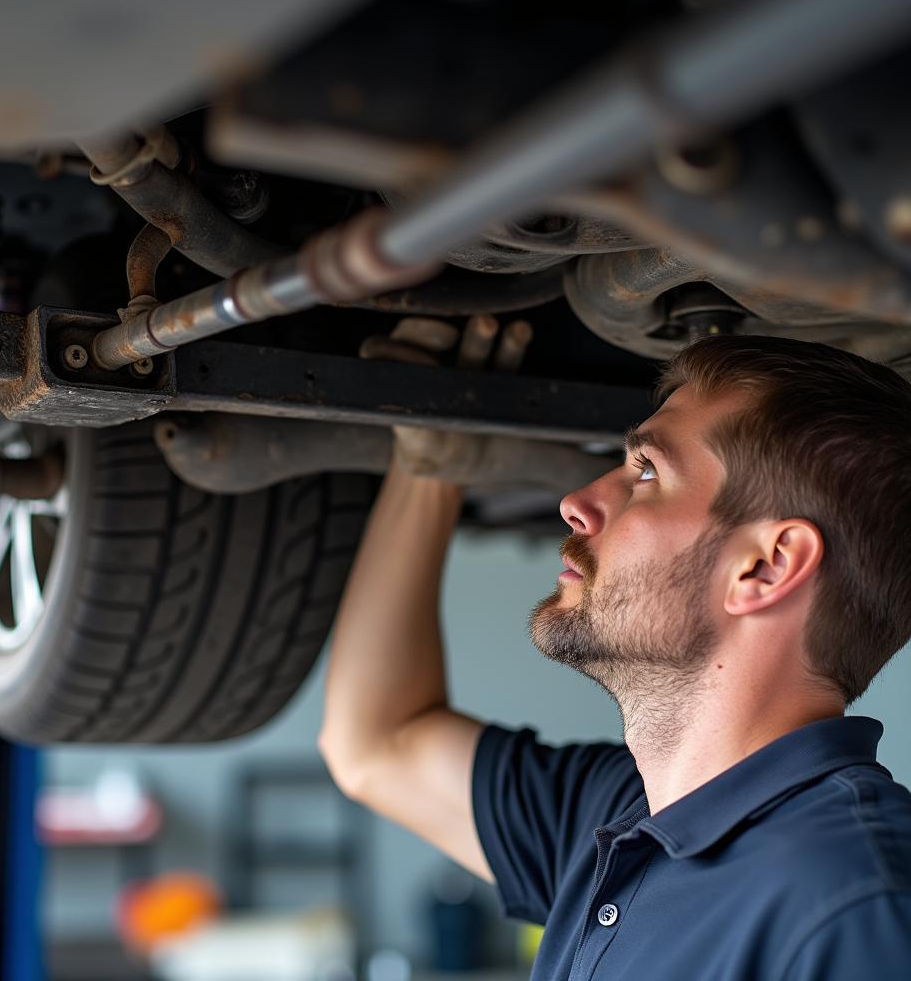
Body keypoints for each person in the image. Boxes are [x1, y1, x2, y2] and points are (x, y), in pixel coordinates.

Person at [318, 334, 911, 980]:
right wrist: (431, 466)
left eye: (647, 472)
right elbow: (376, 744)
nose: (577, 503)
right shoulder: (620, 818)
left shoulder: (855, 905)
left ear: (765, 568)